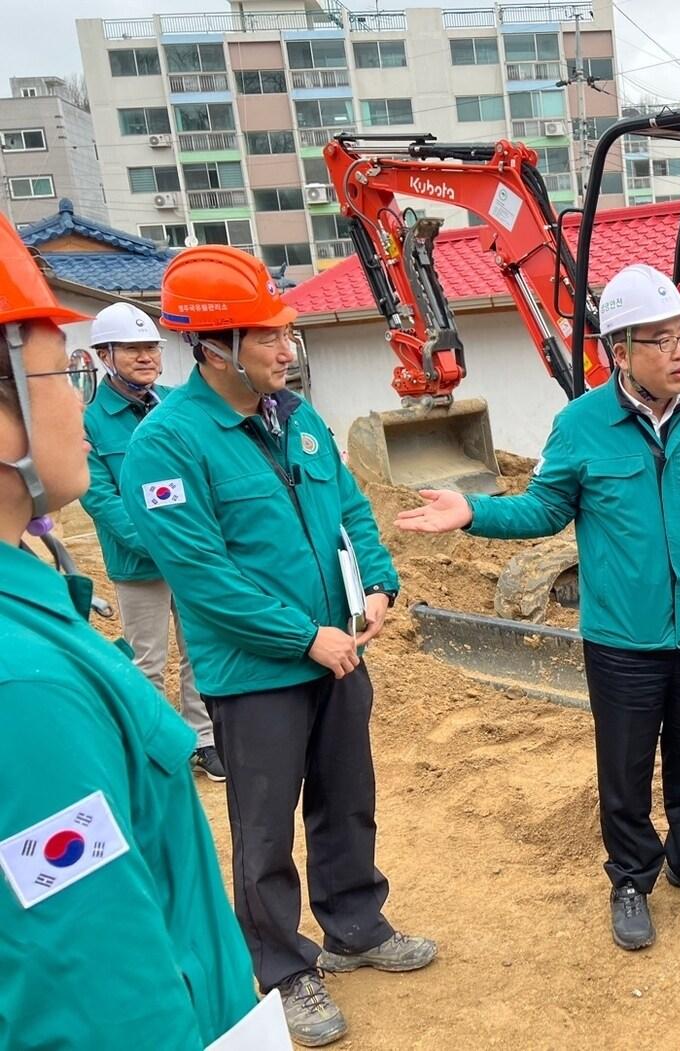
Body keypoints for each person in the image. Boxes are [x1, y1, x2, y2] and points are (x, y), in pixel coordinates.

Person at [397, 262, 680, 951]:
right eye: (658, 340)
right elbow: (545, 508)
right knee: (626, 770)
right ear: (619, 352)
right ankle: (632, 878)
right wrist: (473, 511)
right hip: (621, 641)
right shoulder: (580, 424)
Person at [120, 245, 436, 1047]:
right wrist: (306, 636)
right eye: (268, 336)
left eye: (287, 334)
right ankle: (284, 968)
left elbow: (352, 508)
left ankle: (355, 923)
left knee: (346, 796)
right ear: (216, 345)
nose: (287, 350)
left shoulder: (297, 419)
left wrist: (376, 581)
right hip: (258, 670)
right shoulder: (167, 444)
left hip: (341, 650)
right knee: (263, 826)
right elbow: (201, 575)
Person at [0, 217, 260, 1047]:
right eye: (51, 370)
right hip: (138, 565)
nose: (73, 402)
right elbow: (104, 991)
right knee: (148, 661)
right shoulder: (26, 691)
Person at [80, 301, 224, 782]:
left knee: (198, 650)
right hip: (139, 564)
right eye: (133, 349)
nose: (146, 357)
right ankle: (150, 746)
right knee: (148, 660)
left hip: (190, 556)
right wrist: (162, 542)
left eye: (151, 348)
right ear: (105, 354)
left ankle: (202, 740)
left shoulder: (176, 405)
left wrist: (196, 540)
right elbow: (100, 498)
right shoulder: (92, 422)